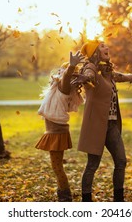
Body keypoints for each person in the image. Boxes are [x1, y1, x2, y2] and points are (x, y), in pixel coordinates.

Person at [72, 40, 132, 202]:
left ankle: (119, 200)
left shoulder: (107, 70)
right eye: (102, 46)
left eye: (106, 45)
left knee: (121, 160)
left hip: (111, 125)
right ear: (95, 52)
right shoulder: (91, 68)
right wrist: (83, 78)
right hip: (96, 126)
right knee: (92, 166)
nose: (107, 47)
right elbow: (89, 76)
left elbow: (119, 76)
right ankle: (86, 201)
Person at [35, 51, 84, 202]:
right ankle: (62, 192)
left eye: (61, 71)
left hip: (56, 133)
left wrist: (72, 66)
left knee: (57, 167)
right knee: (56, 166)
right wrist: (70, 68)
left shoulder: (64, 87)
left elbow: (67, 77)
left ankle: (65, 195)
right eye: (59, 70)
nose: (58, 73)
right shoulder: (57, 89)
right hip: (54, 131)